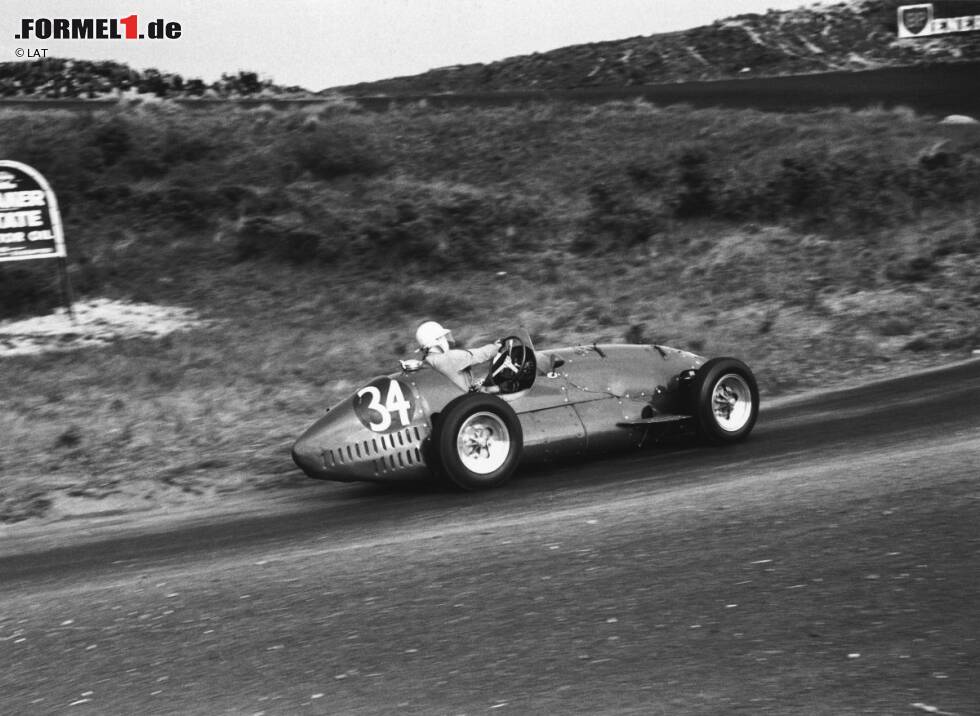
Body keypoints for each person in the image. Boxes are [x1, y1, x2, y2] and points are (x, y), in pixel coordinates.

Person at [415, 320, 501, 393]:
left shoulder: (425, 363)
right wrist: (496, 347)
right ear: (437, 340)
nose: (445, 340)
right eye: (443, 337)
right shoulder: (451, 358)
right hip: (465, 401)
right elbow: (482, 354)